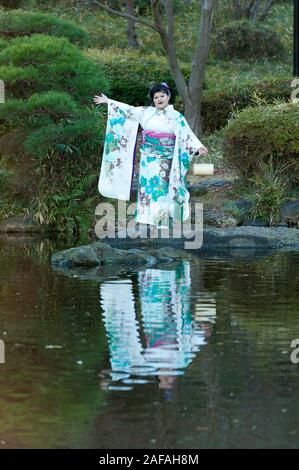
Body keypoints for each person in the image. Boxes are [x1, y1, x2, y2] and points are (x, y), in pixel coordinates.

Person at [93, 82, 208, 228]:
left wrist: (198, 146)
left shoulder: (176, 116)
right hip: (147, 159)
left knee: (161, 188)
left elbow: (186, 133)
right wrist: (109, 102)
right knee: (147, 187)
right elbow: (129, 110)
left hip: (165, 159)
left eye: (162, 96)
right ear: (152, 100)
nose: (159, 99)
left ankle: (162, 219)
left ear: (168, 97)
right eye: (156, 97)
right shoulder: (145, 112)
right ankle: (146, 217)